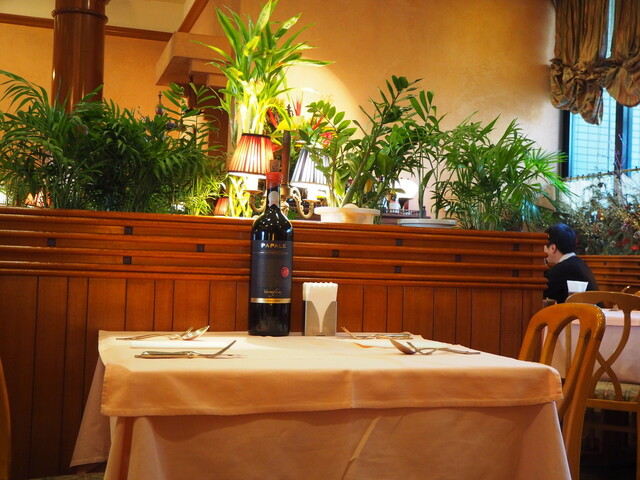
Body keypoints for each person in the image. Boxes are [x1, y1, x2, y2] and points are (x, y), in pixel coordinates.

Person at [543, 223, 599, 303]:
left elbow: (540, 293)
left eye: (544, 247)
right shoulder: (579, 263)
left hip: (585, 311)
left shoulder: (562, 269)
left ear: (553, 248)